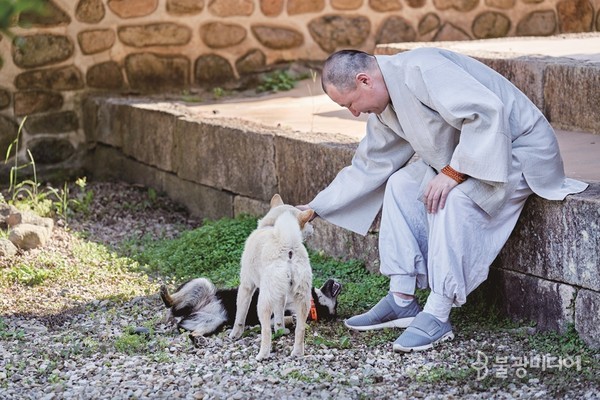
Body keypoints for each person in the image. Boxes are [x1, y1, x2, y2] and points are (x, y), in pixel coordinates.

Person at [298, 48, 588, 352]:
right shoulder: (385, 103)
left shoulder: (422, 68)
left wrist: (452, 172)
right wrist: (316, 207)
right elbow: (370, 165)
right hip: (465, 157)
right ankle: (401, 299)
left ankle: (437, 312)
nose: (354, 113)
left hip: (517, 150)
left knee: (454, 200)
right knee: (399, 184)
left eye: (351, 103)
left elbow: (486, 112)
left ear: (364, 81)